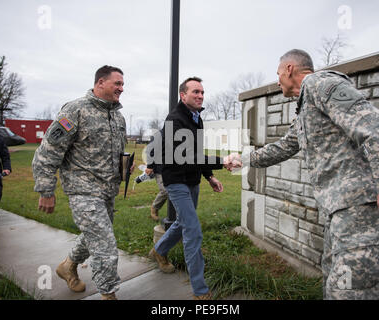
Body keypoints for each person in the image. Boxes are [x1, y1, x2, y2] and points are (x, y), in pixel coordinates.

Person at [228, 49, 379, 300]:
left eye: (278, 73)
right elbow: (284, 146)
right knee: (335, 283)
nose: (277, 79)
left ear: (289, 69)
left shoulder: (320, 84)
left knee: (351, 291)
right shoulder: (305, 108)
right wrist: (242, 160)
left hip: (357, 210)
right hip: (339, 212)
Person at [32, 65, 133, 300]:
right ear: (100, 83)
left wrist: (122, 173)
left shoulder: (117, 117)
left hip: (107, 190)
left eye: (122, 84)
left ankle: (67, 266)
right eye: (117, 83)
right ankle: (109, 294)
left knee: (94, 235)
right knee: (105, 246)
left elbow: (116, 152)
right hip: (82, 191)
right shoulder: (75, 110)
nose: (121, 88)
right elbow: (48, 152)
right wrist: (46, 190)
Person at [148, 77, 231, 300]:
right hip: (175, 181)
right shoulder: (174, 120)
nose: (200, 96)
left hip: (192, 179)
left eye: (202, 92)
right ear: (182, 95)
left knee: (182, 222)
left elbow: (197, 153)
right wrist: (222, 161)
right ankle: (200, 290)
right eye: (195, 92)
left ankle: (159, 250)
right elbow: (185, 155)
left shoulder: (197, 119)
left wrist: (210, 176)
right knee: (192, 230)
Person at [145, 134, 168, 221]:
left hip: (172, 170)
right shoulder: (158, 136)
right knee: (165, 191)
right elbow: (150, 151)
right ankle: (154, 208)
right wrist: (150, 166)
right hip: (159, 169)